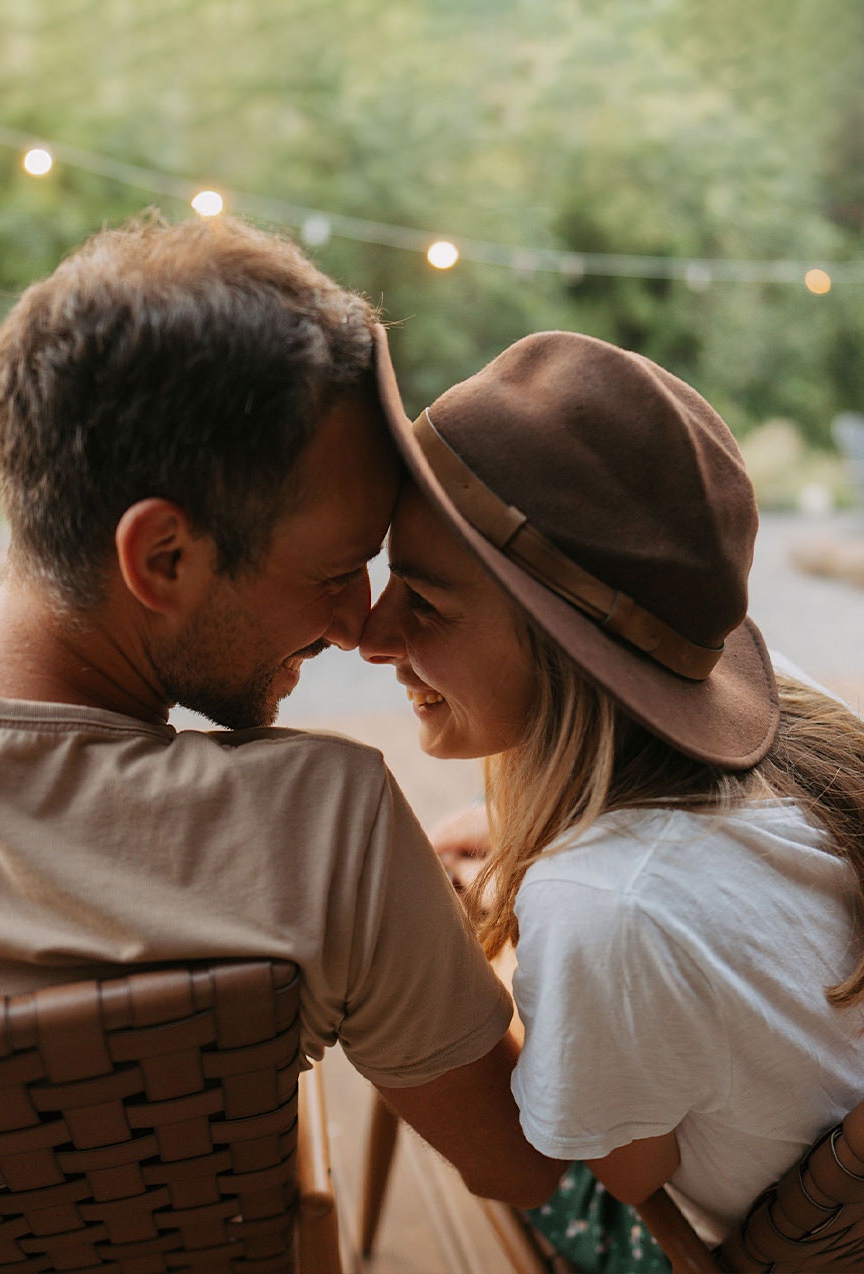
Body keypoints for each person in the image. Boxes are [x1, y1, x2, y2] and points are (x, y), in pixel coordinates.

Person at [0, 212, 559, 1208]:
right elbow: (523, 1160)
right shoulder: (323, 829)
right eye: (339, 569)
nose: (358, 624)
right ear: (162, 558)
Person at [361, 329, 864, 1270]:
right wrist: (522, 855)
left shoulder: (604, 911)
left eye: (424, 601)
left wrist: (488, 962)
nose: (372, 635)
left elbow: (616, 1172)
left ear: (566, 654)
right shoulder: (797, 715)